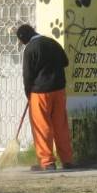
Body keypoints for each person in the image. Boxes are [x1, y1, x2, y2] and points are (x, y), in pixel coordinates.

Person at [16, 23, 75, 172]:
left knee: (42, 127)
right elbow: (65, 62)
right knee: (60, 125)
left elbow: (27, 75)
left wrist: (28, 93)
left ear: (24, 38)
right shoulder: (52, 42)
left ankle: (47, 162)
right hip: (59, 90)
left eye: (21, 41)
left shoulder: (30, 49)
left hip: (40, 92)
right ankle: (67, 160)